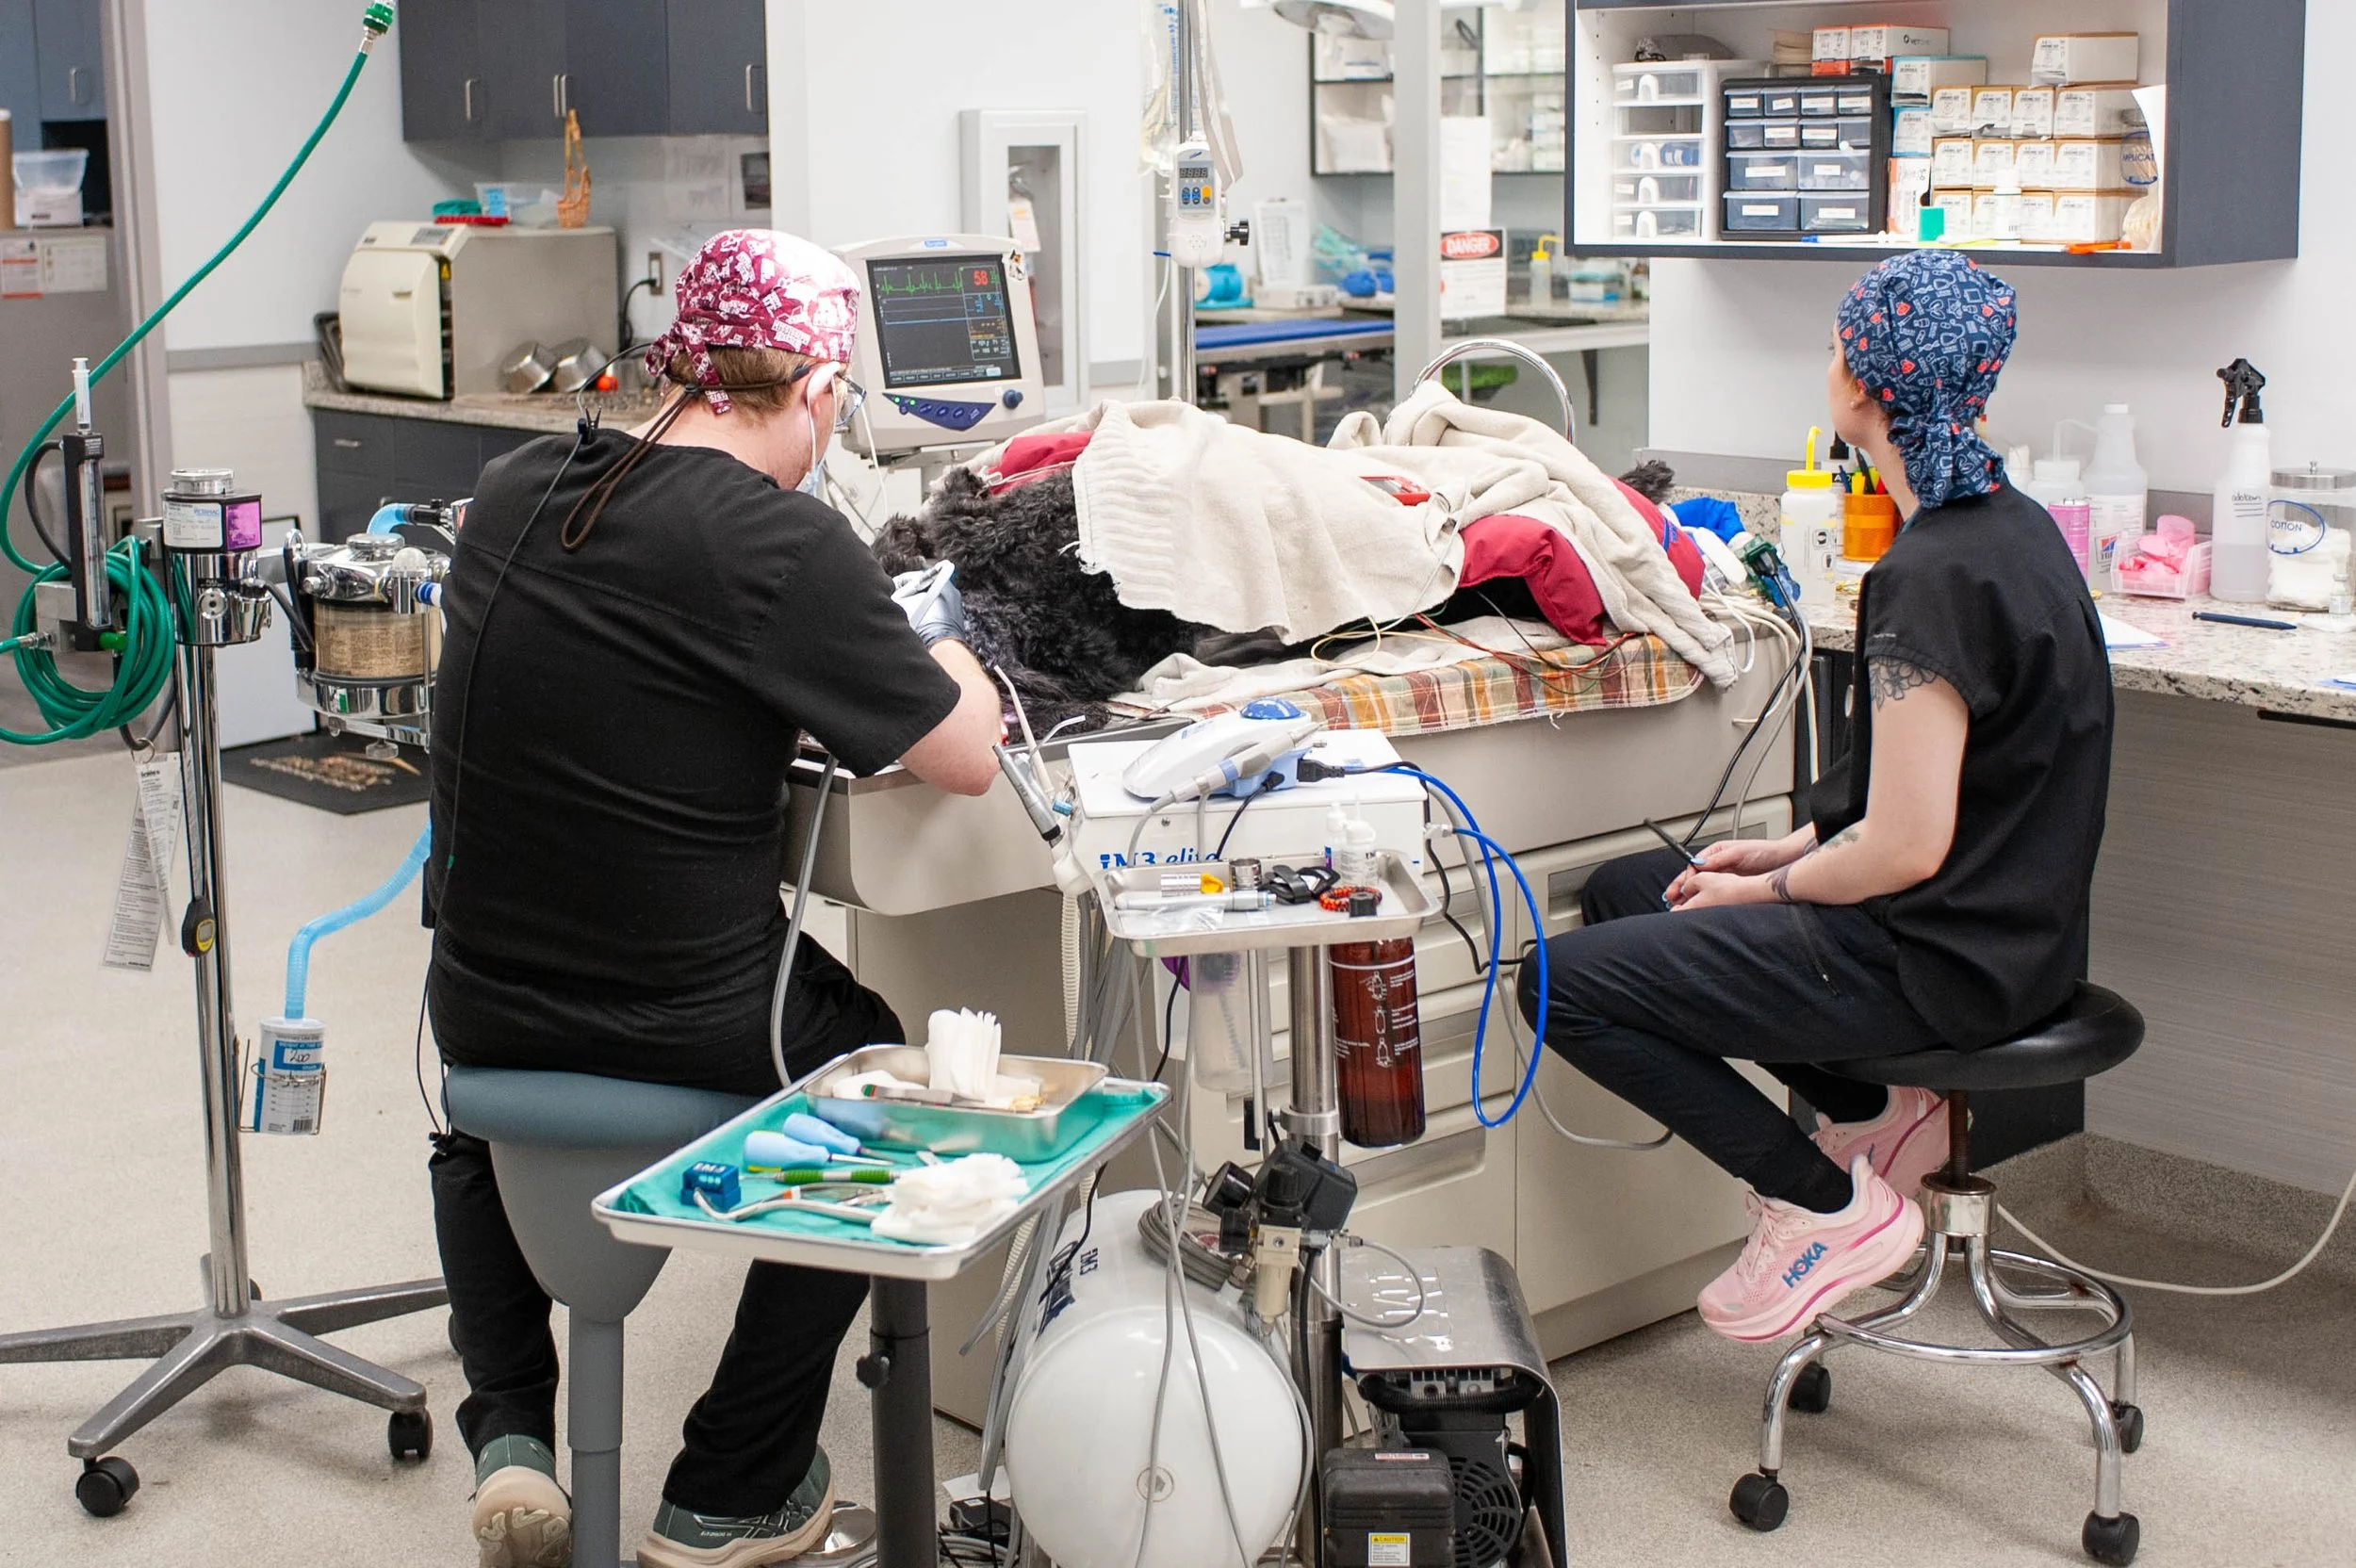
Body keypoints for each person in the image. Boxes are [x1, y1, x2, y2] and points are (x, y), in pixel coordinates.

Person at [422, 230, 1002, 1568]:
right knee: (880, 1083)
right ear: (810, 393)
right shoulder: (779, 540)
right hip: (683, 1018)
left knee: (467, 1125)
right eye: (833, 411)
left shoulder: (514, 488)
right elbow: (962, 758)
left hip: (480, 1008)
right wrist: (942, 644)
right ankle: (730, 1486)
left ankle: (511, 1432)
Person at [1517, 251, 2113, 1345]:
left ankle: (1825, 1206)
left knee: (1557, 984)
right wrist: (1776, 851)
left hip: (1934, 963)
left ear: (1861, 390)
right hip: (2009, 939)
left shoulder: (1929, 573)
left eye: (1837, 349)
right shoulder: (2013, 529)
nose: (1826, 365)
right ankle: (1871, 1115)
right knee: (1628, 889)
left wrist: (1774, 888)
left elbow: (1903, 844)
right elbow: (1948, 785)